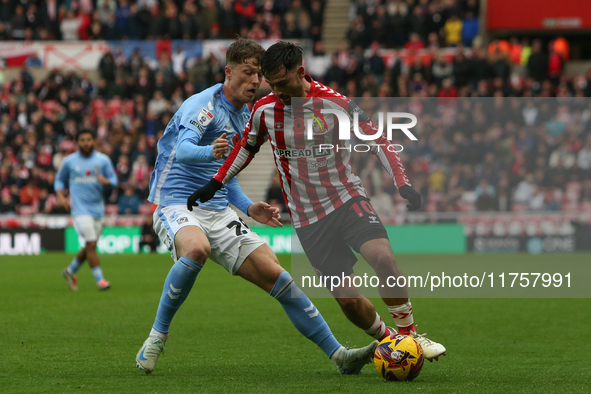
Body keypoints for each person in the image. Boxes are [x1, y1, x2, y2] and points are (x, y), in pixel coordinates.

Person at [188, 41, 446, 361]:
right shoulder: (265, 110)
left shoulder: (334, 103)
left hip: (346, 198)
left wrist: (402, 183)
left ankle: (409, 336)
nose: (278, 91)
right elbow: (246, 147)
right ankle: (390, 341)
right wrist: (215, 183)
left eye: (283, 84)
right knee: (348, 300)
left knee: (382, 257)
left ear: (301, 72)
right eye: (273, 85)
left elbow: (377, 138)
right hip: (308, 218)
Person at [136, 38, 378, 375]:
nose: (254, 81)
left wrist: (249, 208)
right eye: (248, 73)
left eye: (258, 76)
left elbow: (228, 176)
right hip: (177, 202)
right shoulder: (203, 105)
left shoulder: (248, 114)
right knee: (196, 250)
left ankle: (339, 356)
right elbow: (185, 150)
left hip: (218, 209)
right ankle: (156, 337)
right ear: (228, 71)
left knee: (279, 277)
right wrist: (213, 153)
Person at [56, 129, 118, 291]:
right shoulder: (69, 162)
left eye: (88, 140)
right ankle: (100, 281)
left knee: (90, 247)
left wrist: (106, 182)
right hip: (79, 210)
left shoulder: (103, 161)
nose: (85, 143)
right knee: (90, 243)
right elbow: (58, 181)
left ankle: (70, 271)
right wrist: (62, 198)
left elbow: (114, 180)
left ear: (94, 141)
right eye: (82, 140)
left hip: (98, 210)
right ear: (77, 143)